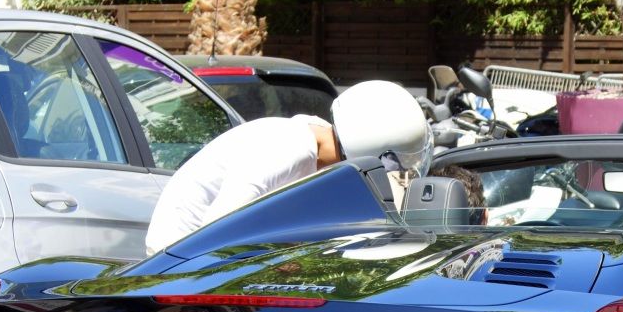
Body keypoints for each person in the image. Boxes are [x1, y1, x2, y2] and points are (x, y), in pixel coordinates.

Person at [145, 80, 432, 254]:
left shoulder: (315, 143)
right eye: (389, 165)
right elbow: (219, 227)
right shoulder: (287, 148)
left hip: (195, 256)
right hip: (178, 255)